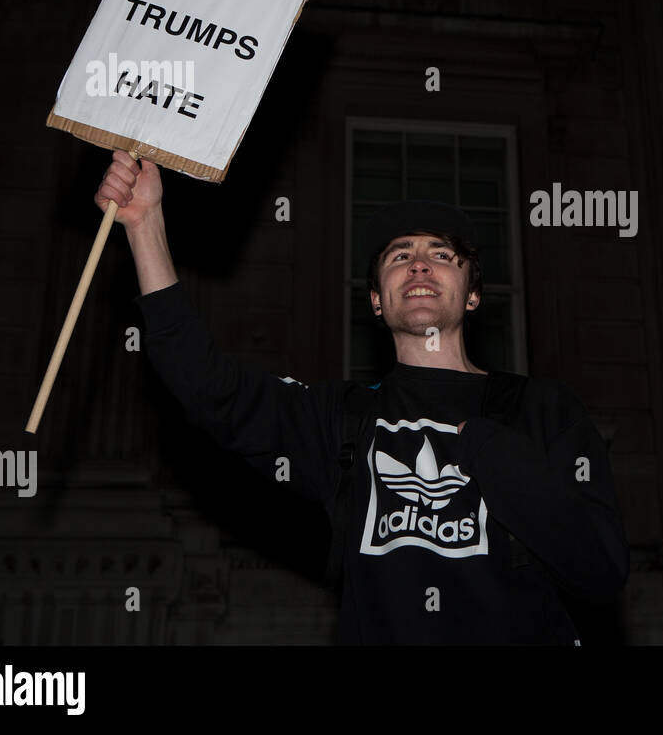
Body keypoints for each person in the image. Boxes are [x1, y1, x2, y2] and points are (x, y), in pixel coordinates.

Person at [95, 157, 628, 644]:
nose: (419, 265)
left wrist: (498, 458)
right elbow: (210, 386)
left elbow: (600, 570)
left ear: (472, 294)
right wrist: (146, 225)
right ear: (377, 299)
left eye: (442, 254)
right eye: (400, 256)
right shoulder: (342, 419)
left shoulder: (546, 409)